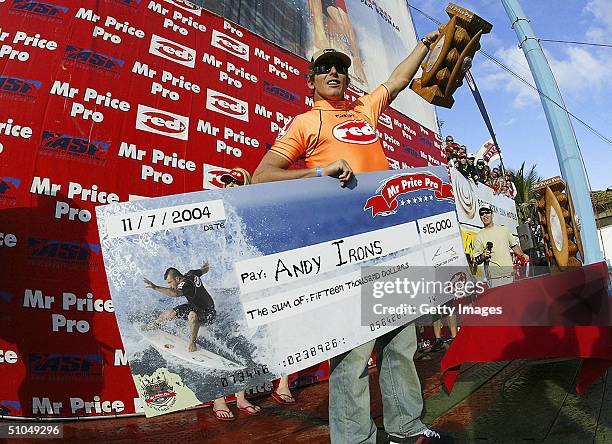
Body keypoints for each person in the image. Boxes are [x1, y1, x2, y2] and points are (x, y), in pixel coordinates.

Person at [253, 31, 451, 443]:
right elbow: (263, 176)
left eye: (340, 69)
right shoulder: (305, 122)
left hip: (390, 239)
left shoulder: (364, 109)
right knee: (355, 352)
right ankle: (354, 439)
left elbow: (396, 80)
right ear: (310, 81)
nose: (334, 73)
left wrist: (424, 46)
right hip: (345, 248)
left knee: (400, 344)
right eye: (324, 69)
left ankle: (405, 429)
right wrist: (317, 172)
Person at [219, 166, 297, 412]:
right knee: (226, 338)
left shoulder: (258, 214)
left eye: (236, 182)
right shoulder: (215, 211)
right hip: (226, 284)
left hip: (256, 283)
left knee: (251, 339)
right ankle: (219, 399)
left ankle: (242, 397)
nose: (230, 185)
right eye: (227, 182)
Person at [142, 261, 215, 352]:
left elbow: (175, 293)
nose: (169, 286)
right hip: (194, 306)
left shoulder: (186, 285)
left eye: (170, 282)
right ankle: (153, 325)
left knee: (192, 315)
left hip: (208, 313)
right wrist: (205, 267)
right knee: (170, 313)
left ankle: (193, 343)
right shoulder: (191, 274)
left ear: (177, 279)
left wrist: (155, 287)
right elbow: (203, 270)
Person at [471, 206, 529, 287]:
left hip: (509, 274)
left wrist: (523, 255)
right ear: (480, 217)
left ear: (492, 214)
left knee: (512, 299)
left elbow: (514, 246)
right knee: (499, 300)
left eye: (487, 212)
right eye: (482, 214)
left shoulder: (504, 230)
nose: (485, 215)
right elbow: (475, 260)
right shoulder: (479, 236)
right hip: (494, 278)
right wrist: (483, 256)